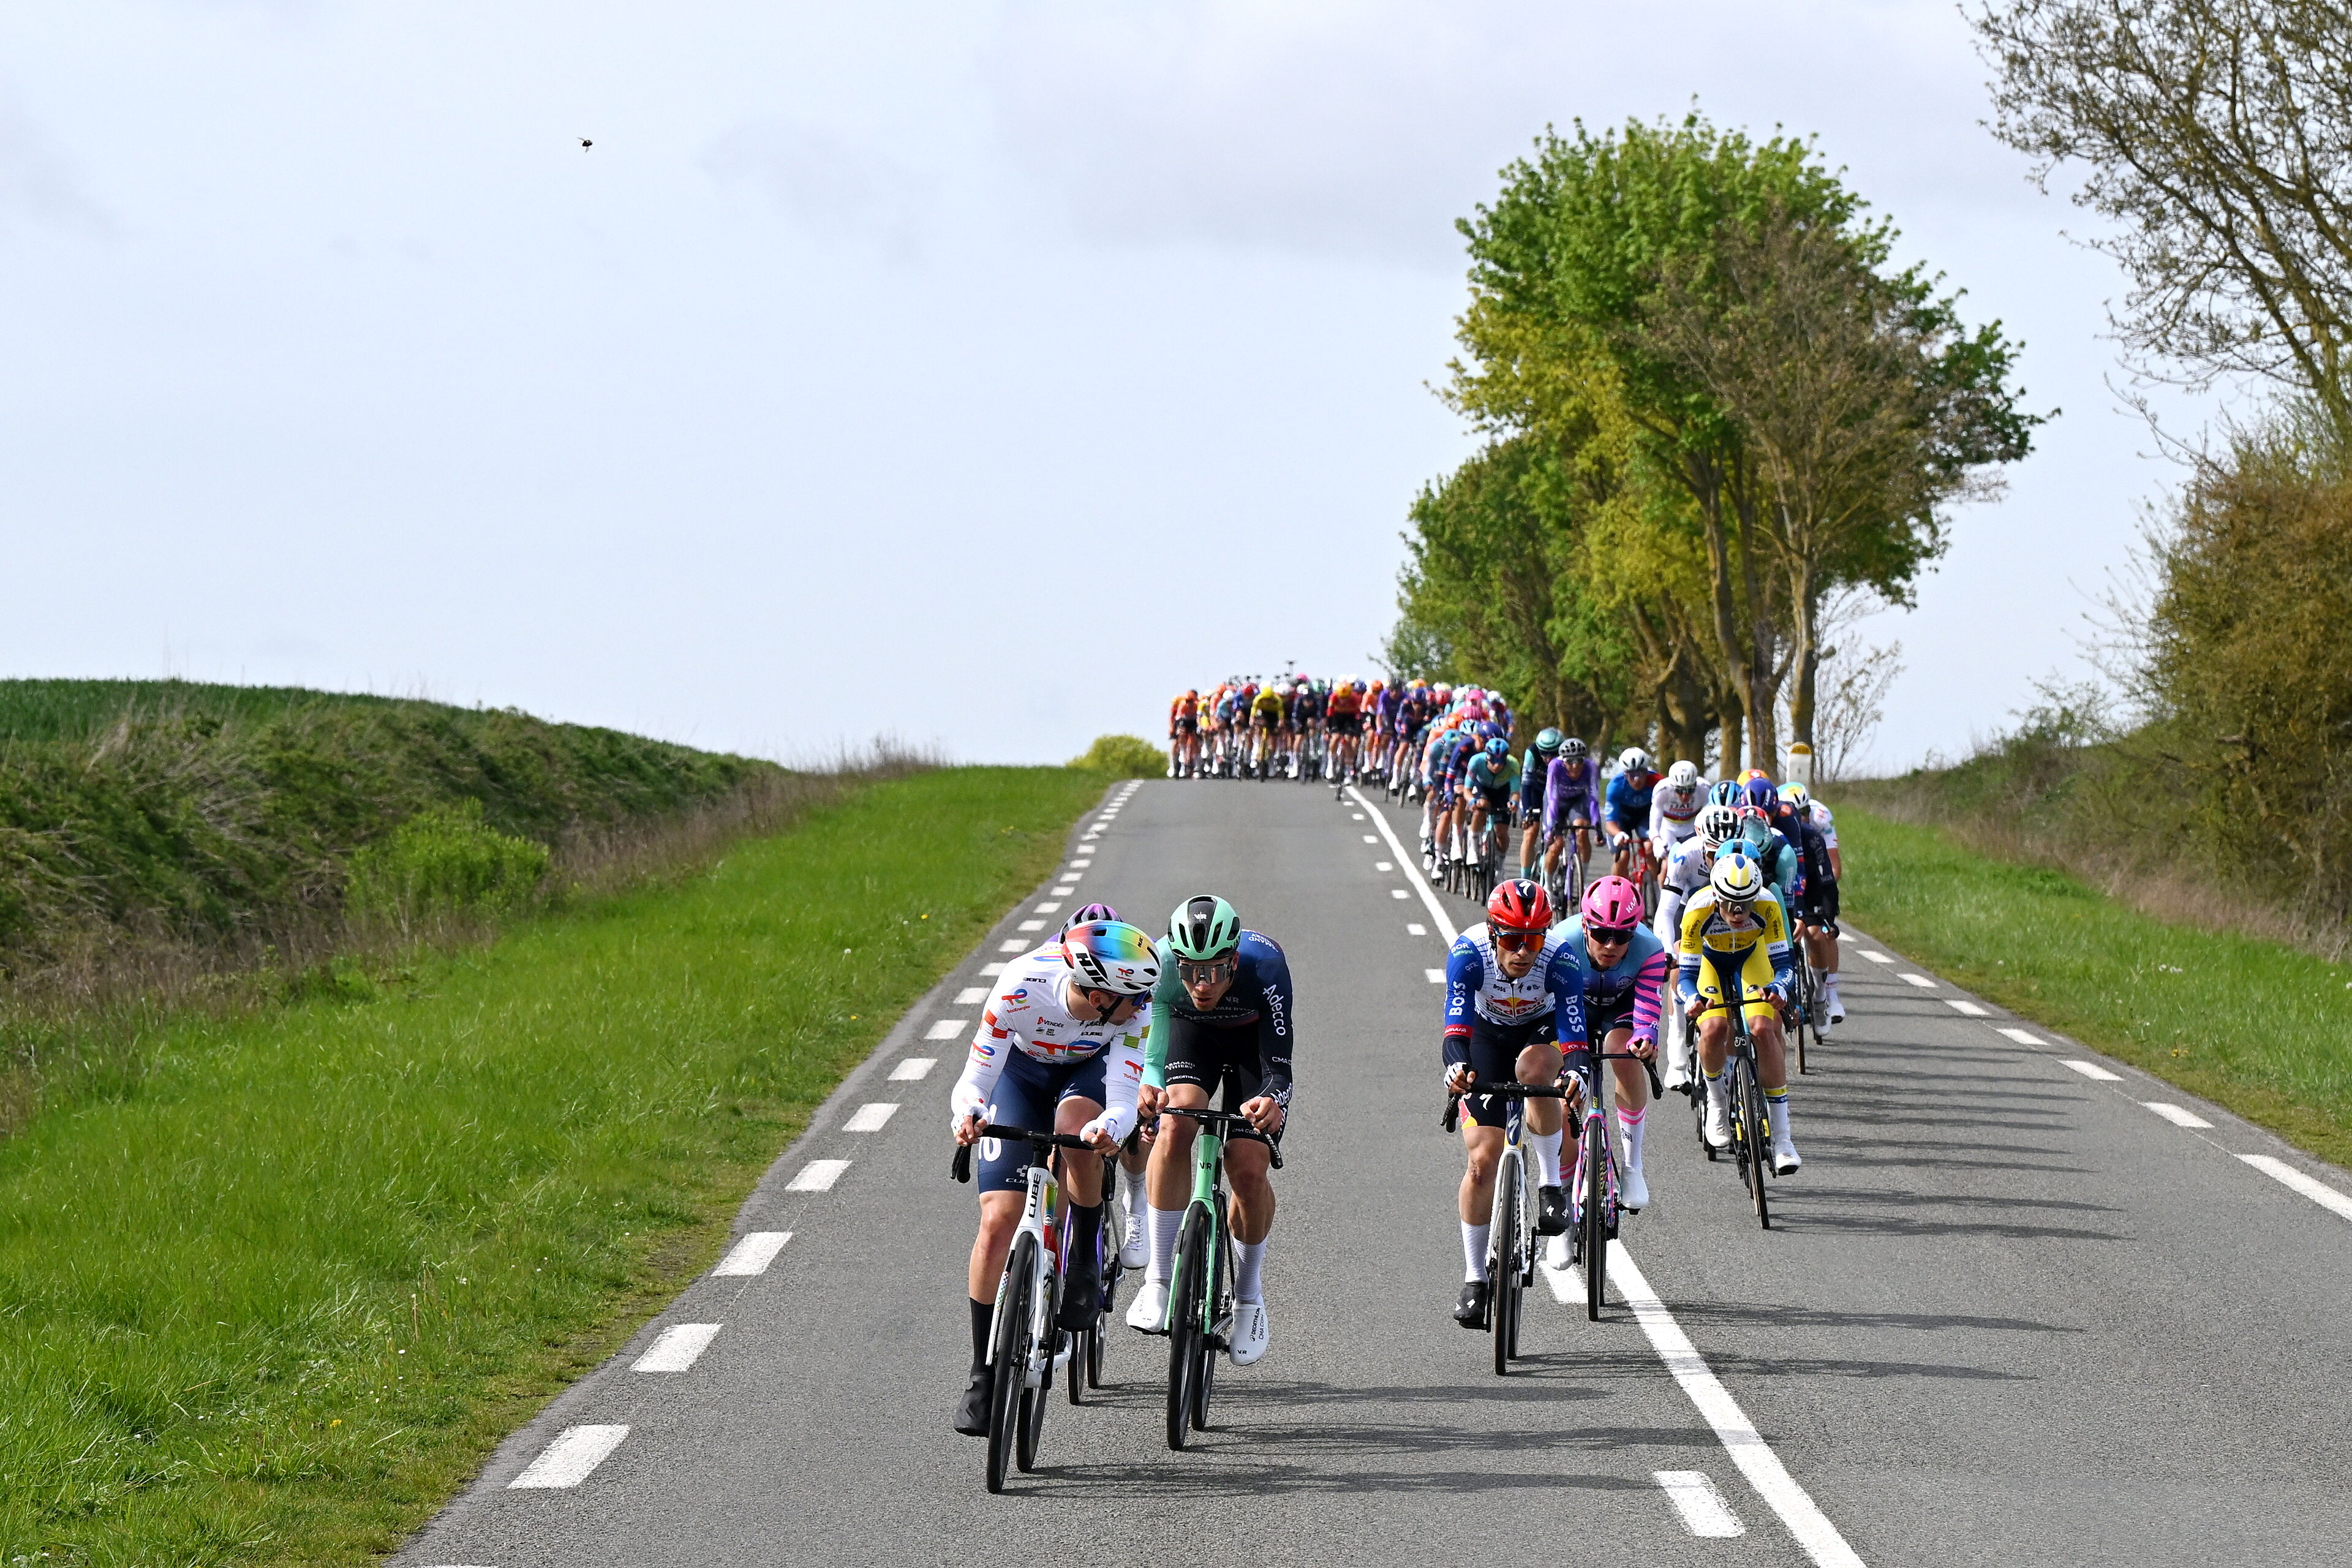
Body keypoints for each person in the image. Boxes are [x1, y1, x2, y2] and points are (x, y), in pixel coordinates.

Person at [949, 919, 1158, 1435]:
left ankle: (1084, 1257)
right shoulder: (1020, 985)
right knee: (998, 1221)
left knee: (1077, 1131)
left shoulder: (1136, 1011)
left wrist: (1110, 1127)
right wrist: (969, 1114)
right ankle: (982, 1374)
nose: (1144, 1005)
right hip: (1024, 1074)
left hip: (1088, 1072)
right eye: (1132, 996)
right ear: (1096, 992)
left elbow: (1125, 1099)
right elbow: (975, 1078)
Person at [1126, 895, 1291, 1367]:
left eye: (1215, 972)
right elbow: (1154, 1059)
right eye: (1190, 971)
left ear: (1234, 961)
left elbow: (1279, 1066)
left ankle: (1248, 1296)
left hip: (1250, 1043)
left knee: (1247, 1167)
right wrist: (1150, 1088)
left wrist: (1273, 1103)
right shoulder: (1160, 966)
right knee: (1176, 1123)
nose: (1201, 984)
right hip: (1190, 1034)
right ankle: (1158, 1280)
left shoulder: (1266, 967)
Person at [1441, 880, 1589, 1330]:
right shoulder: (1467, 955)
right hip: (1486, 1038)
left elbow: (1574, 1033)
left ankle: (1549, 1188)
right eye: (1512, 939)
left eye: (1534, 939)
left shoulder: (1561, 959)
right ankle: (1474, 1279)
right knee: (1482, 1164)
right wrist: (1457, 1070)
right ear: (1492, 933)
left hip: (1538, 1034)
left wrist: (1577, 1071)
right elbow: (1456, 1030)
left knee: (1534, 1072)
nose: (1524, 951)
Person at [1676, 849, 1802, 1175]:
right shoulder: (1697, 909)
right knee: (1715, 1027)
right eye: (1730, 904)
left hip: (1750, 959)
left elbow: (1785, 965)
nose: (1737, 912)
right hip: (1710, 964)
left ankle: (1784, 1140)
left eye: (1745, 904)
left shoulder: (1767, 906)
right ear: (1716, 896)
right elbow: (1686, 977)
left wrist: (1780, 988)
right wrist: (1692, 1000)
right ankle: (1717, 1103)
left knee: (1762, 1028)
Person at [1562, 876, 1668, 1216]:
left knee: (1625, 1052)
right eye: (1600, 934)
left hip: (1621, 1008)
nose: (1610, 945)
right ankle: (1564, 1194)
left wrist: (1646, 1039)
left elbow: (1649, 1007)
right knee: (1563, 1091)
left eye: (1622, 936)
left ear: (1634, 932)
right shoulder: (1561, 944)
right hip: (1573, 1006)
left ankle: (1633, 1166)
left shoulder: (1650, 949)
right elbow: (1551, 1005)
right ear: (1584, 926)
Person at [1654, 803, 1740, 1089]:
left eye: (1726, 852)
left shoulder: (1745, 858)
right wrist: (1669, 951)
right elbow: (1666, 911)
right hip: (1688, 910)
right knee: (1680, 964)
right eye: (1713, 853)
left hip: (1728, 911)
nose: (1719, 860)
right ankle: (1677, 1052)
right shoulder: (1685, 854)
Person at [1542, 738, 1600, 892]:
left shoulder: (1590, 767)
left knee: (1582, 831)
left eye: (1579, 761)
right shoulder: (1555, 766)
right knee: (1557, 844)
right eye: (1570, 761)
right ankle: (1547, 886)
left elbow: (1594, 797)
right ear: (1563, 761)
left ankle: (1583, 879)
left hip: (1577, 801)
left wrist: (1597, 825)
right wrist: (1550, 829)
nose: (1575, 766)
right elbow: (1553, 798)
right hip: (1557, 802)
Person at [1604, 747, 1661, 883]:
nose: (1637, 780)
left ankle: (1657, 891)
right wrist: (1618, 834)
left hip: (1645, 817)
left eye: (1641, 774)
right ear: (1624, 775)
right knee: (1623, 857)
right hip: (1622, 821)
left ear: (1647, 772)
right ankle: (1619, 891)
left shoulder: (1658, 782)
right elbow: (1610, 823)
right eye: (1631, 775)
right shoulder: (1615, 787)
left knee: (1649, 848)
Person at [1516, 728, 1564, 880]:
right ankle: (1524, 878)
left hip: (1557, 794)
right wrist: (1526, 815)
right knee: (1531, 831)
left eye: (1553, 753)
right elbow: (1526, 785)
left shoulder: (1566, 755)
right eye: (1544, 753)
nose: (1548, 758)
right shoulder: (1532, 753)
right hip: (1535, 791)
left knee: (1557, 833)